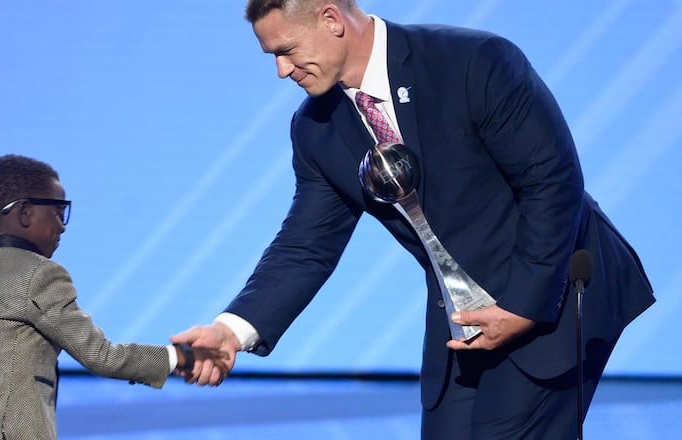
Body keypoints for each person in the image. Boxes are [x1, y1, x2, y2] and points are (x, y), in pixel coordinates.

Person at [172, 1, 655, 438]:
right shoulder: (316, 129)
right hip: (463, 317)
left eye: (287, 50)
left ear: (331, 19)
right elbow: (306, 244)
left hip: (552, 290)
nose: (281, 70)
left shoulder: (472, 62)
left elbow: (552, 183)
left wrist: (523, 308)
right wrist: (232, 330)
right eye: (271, 56)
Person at [0, 154, 227, 440]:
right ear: (25, 212)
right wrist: (181, 356)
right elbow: (102, 356)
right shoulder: (39, 274)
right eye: (58, 211)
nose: (62, 226)